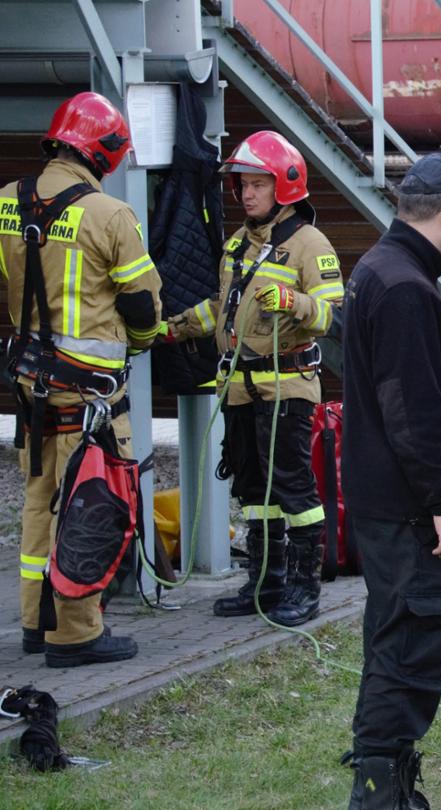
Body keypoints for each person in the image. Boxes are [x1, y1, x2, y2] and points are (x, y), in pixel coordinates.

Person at [341, 153, 441, 809]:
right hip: (410, 511)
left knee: (395, 639)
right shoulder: (406, 288)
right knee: (412, 649)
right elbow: (412, 413)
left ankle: (390, 781)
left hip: (389, 504)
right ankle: (378, 792)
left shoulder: (381, 266)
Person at [5, 91, 162, 668]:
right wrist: (139, 346)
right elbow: (144, 307)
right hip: (90, 395)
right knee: (89, 502)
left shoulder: (5, 203)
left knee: (41, 499)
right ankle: (73, 633)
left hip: (30, 389)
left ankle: (33, 620)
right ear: (106, 153)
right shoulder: (110, 215)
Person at [166, 131, 342, 626]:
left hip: (287, 385)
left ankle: (306, 587)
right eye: (242, 185)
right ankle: (266, 582)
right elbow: (222, 309)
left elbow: (336, 317)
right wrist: (173, 329)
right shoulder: (238, 244)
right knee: (252, 489)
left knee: (291, 487)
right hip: (238, 387)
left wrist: (296, 304)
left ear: (284, 186)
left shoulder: (311, 245)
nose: (245, 194)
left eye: (256, 185)